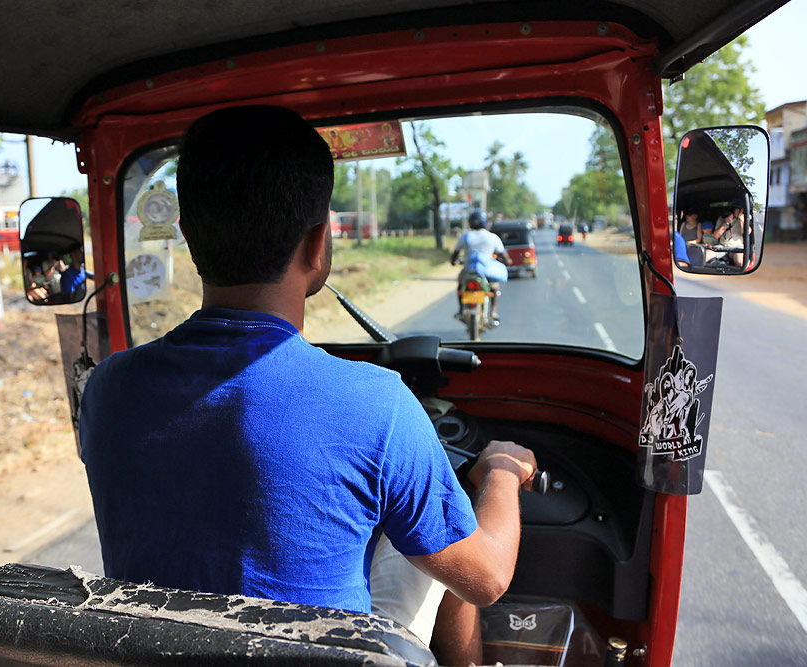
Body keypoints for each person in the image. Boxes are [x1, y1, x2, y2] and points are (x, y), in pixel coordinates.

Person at [79, 105, 537, 667]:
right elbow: (486, 579)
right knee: (440, 528)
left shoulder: (107, 390)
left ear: (188, 235)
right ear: (319, 243)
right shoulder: (378, 404)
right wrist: (502, 472)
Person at [450, 210, 511, 324]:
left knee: (460, 285)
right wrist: (508, 261)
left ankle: (461, 310)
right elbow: (504, 255)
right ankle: (493, 312)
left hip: (469, 270)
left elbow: (455, 254)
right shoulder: (492, 237)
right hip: (486, 272)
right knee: (495, 288)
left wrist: (453, 262)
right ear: (485, 222)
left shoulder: (465, 236)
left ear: (470, 223)